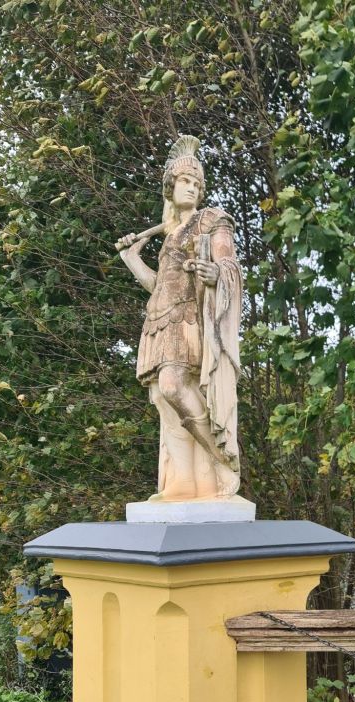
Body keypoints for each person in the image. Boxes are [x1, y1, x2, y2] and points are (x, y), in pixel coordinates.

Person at [116, 136, 242, 501]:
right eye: (184, 181)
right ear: (170, 188)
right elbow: (160, 286)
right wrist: (131, 259)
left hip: (189, 322)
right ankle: (185, 483)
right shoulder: (170, 236)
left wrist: (217, 274)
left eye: (196, 182)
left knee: (174, 385)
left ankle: (221, 454)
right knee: (163, 401)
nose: (191, 187)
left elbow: (228, 263)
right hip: (159, 322)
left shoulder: (212, 220)